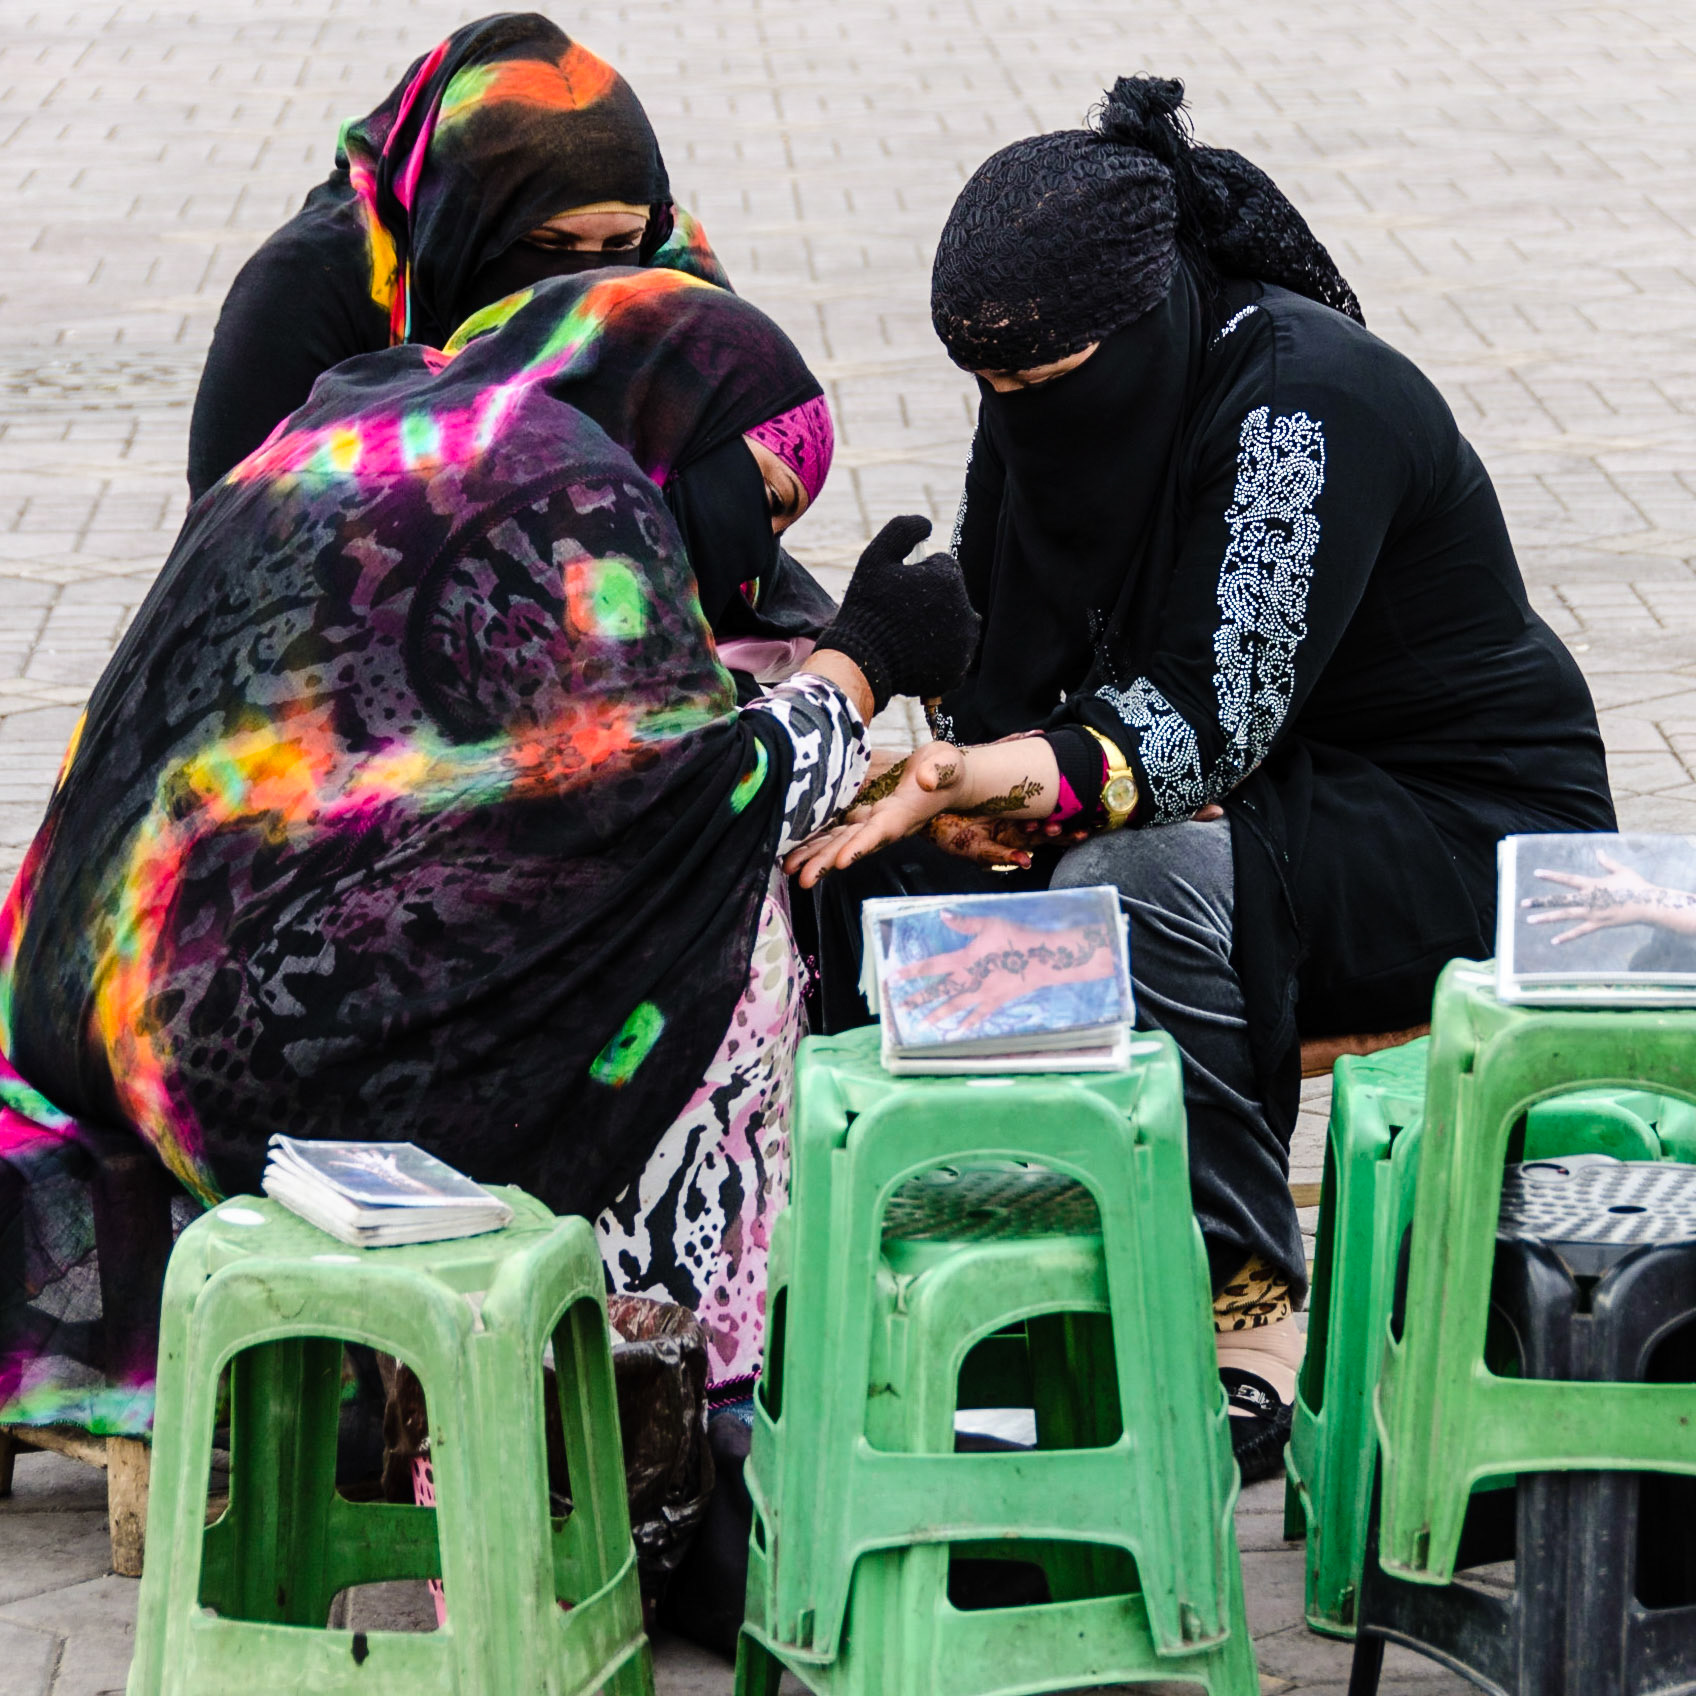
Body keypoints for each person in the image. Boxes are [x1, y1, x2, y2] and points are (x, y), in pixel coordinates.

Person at [0, 268, 976, 1445]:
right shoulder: (570, 502)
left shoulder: (383, 419)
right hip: (260, 1067)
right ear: (681, 435)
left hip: (83, 1003)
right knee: (704, 924)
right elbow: (703, 808)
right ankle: (694, 1389)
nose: (762, 553)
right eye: (763, 499)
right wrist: (860, 665)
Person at [802, 76, 1617, 1479]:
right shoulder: (1058, 386)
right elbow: (1018, 646)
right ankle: (1002, 1275)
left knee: (1139, 871)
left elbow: (1198, 731)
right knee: (863, 870)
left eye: (1044, 391)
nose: (1022, 420)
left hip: (1461, 829)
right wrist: (966, 780)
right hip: (1269, 799)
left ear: (1143, 318)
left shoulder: (1304, 405)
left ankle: (1249, 1306)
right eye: (994, 394)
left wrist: (1007, 777)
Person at [186, 13, 731, 503]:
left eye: (617, 247)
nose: (587, 284)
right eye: (550, 245)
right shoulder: (310, 284)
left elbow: (757, 444)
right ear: (462, 226)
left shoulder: (666, 258)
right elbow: (227, 530)